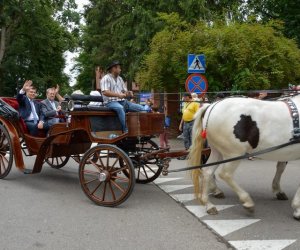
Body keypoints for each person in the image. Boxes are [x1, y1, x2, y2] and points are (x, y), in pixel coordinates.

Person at [101, 60, 144, 133]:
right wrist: (118, 95)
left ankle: (139, 129)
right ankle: (125, 130)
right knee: (120, 108)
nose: (120, 70)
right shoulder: (106, 78)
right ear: (114, 68)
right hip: (110, 102)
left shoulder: (120, 79)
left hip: (123, 101)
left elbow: (124, 91)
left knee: (141, 108)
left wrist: (129, 93)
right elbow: (105, 92)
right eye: (119, 68)